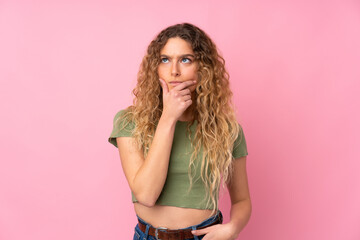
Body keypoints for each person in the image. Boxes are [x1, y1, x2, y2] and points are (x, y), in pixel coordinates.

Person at [108, 23, 251, 240]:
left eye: (186, 59)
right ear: (155, 67)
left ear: (204, 68)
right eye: (165, 59)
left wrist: (232, 228)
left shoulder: (226, 129)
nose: (174, 71)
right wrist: (168, 118)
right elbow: (146, 195)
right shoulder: (130, 122)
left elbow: (242, 200)